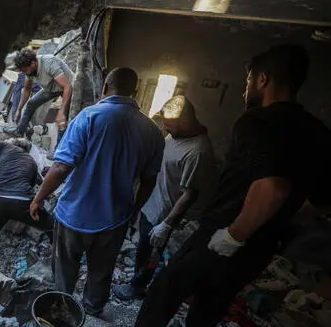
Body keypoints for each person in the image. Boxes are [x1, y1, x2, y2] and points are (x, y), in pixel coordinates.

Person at [135, 44, 331, 327]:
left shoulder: (258, 121)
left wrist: (235, 234)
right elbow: (322, 200)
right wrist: (276, 221)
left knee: (163, 293)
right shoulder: (319, 132)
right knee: (208, 308)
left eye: (249, 80)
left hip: (221, 237)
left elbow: (273, 187)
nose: (245, 88)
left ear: (263, 79)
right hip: (260, 249)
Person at [30, 67, 165, 316]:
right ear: (134, 91)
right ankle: (92, 311)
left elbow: (60, 167)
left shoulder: (88, 117)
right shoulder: (152, 131)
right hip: (115, 218)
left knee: (64, 267)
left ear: (105, 87)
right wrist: (133, 210)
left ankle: (61, 307)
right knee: (101, 272)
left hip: (74, 213)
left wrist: (39, 198)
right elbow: (149, 181)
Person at [113, 95, 215, 300]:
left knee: (152, 254)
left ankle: (138, 287)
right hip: (151, 206)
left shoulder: (197, 151)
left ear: (185, 122)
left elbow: (190, 194)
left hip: (163, 214)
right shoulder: (177, 135)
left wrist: (167, 225)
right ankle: (138, 278)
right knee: (143, 249)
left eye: (170, 126)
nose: (166, 129)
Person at [0, 139, 54, 268]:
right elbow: (40, 187)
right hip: (22, 202)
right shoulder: (31, 162)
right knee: (51, 227)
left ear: (13, 144)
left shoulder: (4, 147)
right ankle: (60, 259)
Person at [5, 48, 74, 136]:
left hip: (68, 88)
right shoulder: (29, 71)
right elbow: (27, 89)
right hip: (51, 88)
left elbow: (67, 86)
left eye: (25, 70)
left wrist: (61, 111)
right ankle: (19, 131)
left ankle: (60, 146)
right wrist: (19, 109)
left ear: (33, 63)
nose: (25, 73)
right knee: (31, 103)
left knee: (62, 117)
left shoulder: (49, 63)